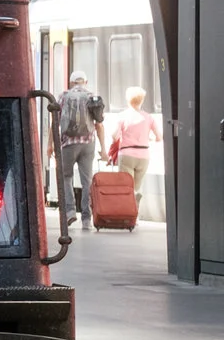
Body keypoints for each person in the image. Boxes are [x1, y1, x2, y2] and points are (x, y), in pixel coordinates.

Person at [106, 86, 160, 226]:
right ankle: (135, 215)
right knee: (136, 187)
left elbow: (114, 135)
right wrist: (150, 139)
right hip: (144, 155)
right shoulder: (148, 117)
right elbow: (159, 136)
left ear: (128, 100)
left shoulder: (123, 116)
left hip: (127, 154)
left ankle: (127, 216)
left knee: (126, 187)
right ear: (142, 100)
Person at [54, 74, 101, 228]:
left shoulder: (63, 96)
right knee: (87, 181)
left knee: (66, 177)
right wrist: (105, 149)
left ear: (71, 82)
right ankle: (86, 220)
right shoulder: (91, 96)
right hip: (88, 144)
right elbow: (99, 123)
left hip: (68, 143)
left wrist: (51, 144)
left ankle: (70, 212)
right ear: (85, 82)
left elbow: (56, 121)